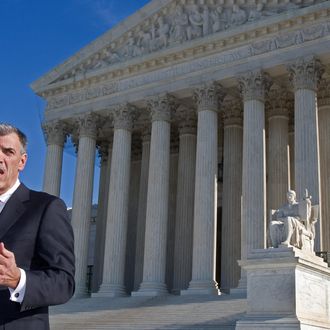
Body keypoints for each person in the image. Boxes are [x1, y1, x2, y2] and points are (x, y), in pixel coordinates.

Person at [0, 123, 75, 330]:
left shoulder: (46, 208)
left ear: (21, 162)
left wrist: (17, 279)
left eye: (8, 151)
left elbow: (64, 282)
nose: (0, 158)